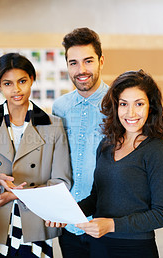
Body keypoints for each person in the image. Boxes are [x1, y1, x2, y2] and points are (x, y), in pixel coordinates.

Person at [48, 69, 163, 257]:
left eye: (139, 104)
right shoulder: (106, 144)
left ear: (151, 107)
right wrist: (66, 214)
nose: (131, 112)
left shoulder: (156, 151)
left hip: (135, 249)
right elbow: (96, 197)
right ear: (115, 107)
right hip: (99, 246)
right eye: (123, 104)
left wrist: (112, 225)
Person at [0, 53, 72, 257]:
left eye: (22, 81)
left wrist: (15, 194)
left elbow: (61, 182)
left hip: (35, 225)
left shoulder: (53, 125)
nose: (16, 89)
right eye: (8, 83)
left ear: (32, 79)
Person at [52, 27, 109, 257]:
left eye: (88, 61)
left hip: (106, 225)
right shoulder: (59, 108)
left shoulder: (119, 106)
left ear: (101, 61)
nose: (81, 70)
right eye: (73, 63)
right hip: (70, 225)